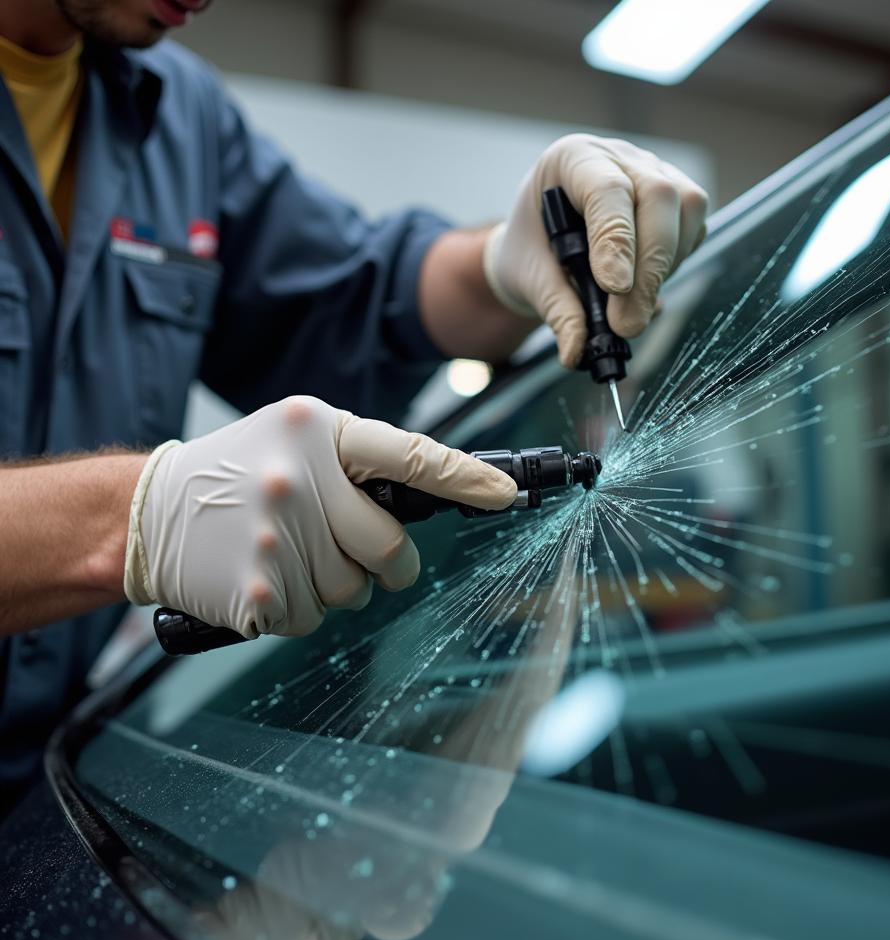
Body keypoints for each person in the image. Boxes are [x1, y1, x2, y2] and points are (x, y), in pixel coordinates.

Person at [0, 0, 708, 815]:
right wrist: (132, 518)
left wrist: (498, 265)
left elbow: (352, 303)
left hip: (52, 798)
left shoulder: (175, 113)